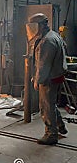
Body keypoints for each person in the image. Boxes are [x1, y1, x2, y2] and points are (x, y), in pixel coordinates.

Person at [28, 13, 68, 145]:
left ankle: (51, 134)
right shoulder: (53, 35)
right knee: (51, 103)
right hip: (56, 75)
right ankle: (60, 126)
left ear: (41, 25)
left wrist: (37, 80)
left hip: (49, 79)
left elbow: (43, 65)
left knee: (46, 105)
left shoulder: (47, 41)